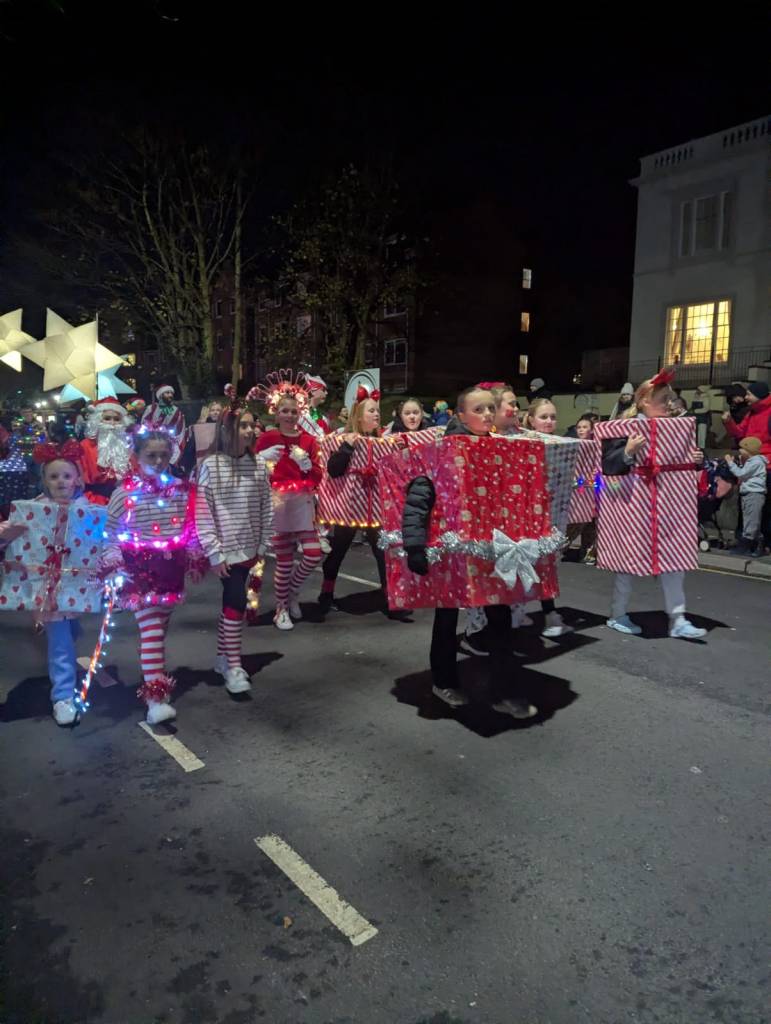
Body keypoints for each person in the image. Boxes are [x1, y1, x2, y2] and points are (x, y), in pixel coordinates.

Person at [400, 385, 539, 718]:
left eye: (490, 409)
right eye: (479, 410)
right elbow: (419, 496)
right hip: (452, 549)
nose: (487, 415)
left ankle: (504, 690)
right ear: (460, 415)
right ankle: (444, 680)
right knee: (447, 618)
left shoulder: (500, 448)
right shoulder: (439, 450)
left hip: (490, 549)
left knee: (500, 619)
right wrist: (415, 544)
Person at [101, 429, 202, 724]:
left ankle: (152, 671)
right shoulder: (125, 492)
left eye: (164, 455)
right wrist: (113, 561)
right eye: (151, 455)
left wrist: (195, 553)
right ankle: (156, 699)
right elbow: (109, 534)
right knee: (152, 630)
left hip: (170, 570)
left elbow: (190, 527)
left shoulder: (182, 490)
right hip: (139, 572)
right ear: (137, 457)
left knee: (159, 629)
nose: (158, 461)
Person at [597, 370, 706, 640]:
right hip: (633, 508)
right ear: (644, 400)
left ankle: (678, 619)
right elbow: (608, 465)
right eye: (664, 398)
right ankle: (617, 613)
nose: (670, 403)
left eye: (671, 398)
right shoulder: (625, 427)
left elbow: (685, 467)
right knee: (627, 563)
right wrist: (628, 452)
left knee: (674, 560)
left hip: (669, 507)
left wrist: (696, 458)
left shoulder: (679, 431)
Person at [0, 438, 93, 726]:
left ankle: (63, 674)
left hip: (77, 588)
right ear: (44, 480)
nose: (61, 481)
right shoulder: (33, 510)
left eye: (67, 475)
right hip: (47, 587)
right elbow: (8, 532)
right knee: (61, 641)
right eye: (54, 476)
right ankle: (62, 697)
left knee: (71, 631)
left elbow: (102, 537)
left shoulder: (87, 508)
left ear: (77, 478)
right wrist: (7, 533)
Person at [195, 387, 273, 694]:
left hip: (250, 547)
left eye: (252, 424)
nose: (250, 430)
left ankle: (223, 658)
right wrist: (214, 551)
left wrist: (263, 542)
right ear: (228, 428)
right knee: (236, 602)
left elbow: (266, 505)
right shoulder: (211, 466)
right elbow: (204, 511)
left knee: (233, 602)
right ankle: (235, 666)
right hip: (226, 551)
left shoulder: (257, 465)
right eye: (243, 424)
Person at [317, 386, 407, 619]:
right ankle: (326, 594)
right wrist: (347, 447)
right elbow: (333, 471)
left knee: (382, 553)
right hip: (350, 507)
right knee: (338, 551)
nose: (377, 415)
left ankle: (390, 599)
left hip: (375, 507)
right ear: (358, 415)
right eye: (371, 411)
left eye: (378, 411)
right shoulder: (342, 439)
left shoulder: (384, 442)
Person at [253, 374, 323, 630]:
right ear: (276, 412)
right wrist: (261, 460)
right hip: (278, 502)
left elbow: (318, 475)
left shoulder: (309, 441)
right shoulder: (267, 439)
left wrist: (306, 467)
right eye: (285, 410)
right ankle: (281, 609)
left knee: (313, 553)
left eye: (294, 411)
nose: (290, 415)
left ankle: (290, 593)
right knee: (283, 560)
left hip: (303, 501)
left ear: (300, 412)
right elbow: (253, 472)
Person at [523, 398, 571, 638]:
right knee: (527, 566)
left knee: (547, 567)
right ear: (531, 420)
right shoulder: (520, 442)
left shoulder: (562, 444)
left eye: (553, 417)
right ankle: (525, 613)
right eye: (544, 417)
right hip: (526, 515)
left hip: (553, 514)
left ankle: (549, 615)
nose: (549, 421)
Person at [722, 381, 771, 546]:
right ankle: (747, 539)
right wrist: (728, 422)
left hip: (765, 466)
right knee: (747, 504)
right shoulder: (751, 412)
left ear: (759, 396)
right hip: (751, 464)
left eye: (749, 394)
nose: (746, 397)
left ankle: (760, 541)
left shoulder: (764, 412)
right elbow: (739, 433)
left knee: (761, 508)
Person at [80, 398, 135, 505]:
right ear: (97, 421)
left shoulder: (128, 445)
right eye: (107, 418)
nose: (112, 423)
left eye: (117, 419)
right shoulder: (85, 446)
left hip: (125, 500)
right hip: (94, 501)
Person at [725, 437, 767, 557]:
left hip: (754, 494)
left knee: (751, 521)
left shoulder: (756, 462)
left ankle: (746, 547)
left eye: (742, 448)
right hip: (748, 493)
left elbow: (741, 474)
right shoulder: (751, 461)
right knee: (751, 521)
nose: (740, 450)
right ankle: (757, 546)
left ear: (749, 450)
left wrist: (730, 463)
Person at [563, 416, 597, 564]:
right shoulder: (572, 446)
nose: (582, 430)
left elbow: (598, 479)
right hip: (576, 496)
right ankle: (559, 551)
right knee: (573, 526)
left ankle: (587, 554)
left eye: (585, 427)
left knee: (590, 528)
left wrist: (582, 482)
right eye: (579, 427)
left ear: (592, 429)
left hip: (592, 494)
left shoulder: (597, 447)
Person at [141, 385, 186, 462]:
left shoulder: (176, 411)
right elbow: (144, 423)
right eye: (167, 393)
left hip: (169, 442)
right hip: (152, 441)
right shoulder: (151, 408)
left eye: (171, 393)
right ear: (161, 395)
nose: (170, 395)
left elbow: (180, 429)